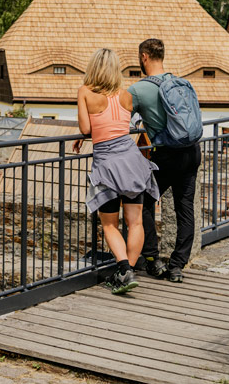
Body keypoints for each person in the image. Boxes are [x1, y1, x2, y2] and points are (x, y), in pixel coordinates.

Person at [73, 48, 159, 295]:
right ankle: (127, 272)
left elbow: (86, 128)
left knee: (109, 224)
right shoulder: (126, 96)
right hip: (132, 160)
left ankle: (124, 268)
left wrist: (82, 137)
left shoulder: (85, 92)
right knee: (135, 222)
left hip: (107, 164)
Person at [128, 38, 202, 283]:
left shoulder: (138, 90)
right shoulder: (179, 82)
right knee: (185, 208)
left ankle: (152, 259)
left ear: (144, 57)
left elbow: (119, 120)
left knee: (144, 201)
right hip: (192, 151)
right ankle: (177, 265)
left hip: (166, 155)